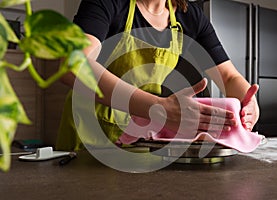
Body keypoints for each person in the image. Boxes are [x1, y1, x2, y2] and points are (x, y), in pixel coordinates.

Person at [55, 0, 259, 151]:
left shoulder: (190, 16)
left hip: (145, 139)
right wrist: (157, 109)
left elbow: (229, 77)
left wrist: (248, 103)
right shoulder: (106, 3)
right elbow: (74, 66)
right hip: (90, 135)